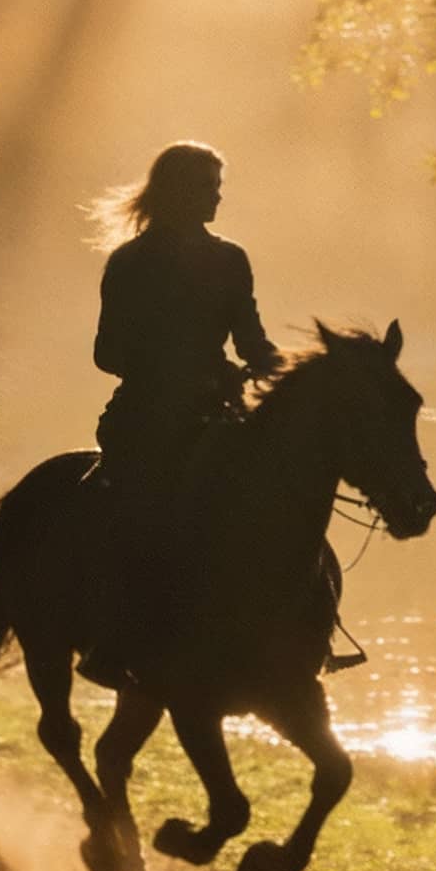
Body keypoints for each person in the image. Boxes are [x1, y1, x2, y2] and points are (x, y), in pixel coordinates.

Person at [86, 142, 282, 673]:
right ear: (179, 192)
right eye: (208, 187)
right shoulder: (130, 263)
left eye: (219, 187)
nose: (218, 197)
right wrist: (183, 371)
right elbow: (108, 354)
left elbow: (251, 340)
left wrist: (285, 369)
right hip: (145, 417)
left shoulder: (231, 259)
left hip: (218, 411)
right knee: (143, 514)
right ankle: (118, 638)